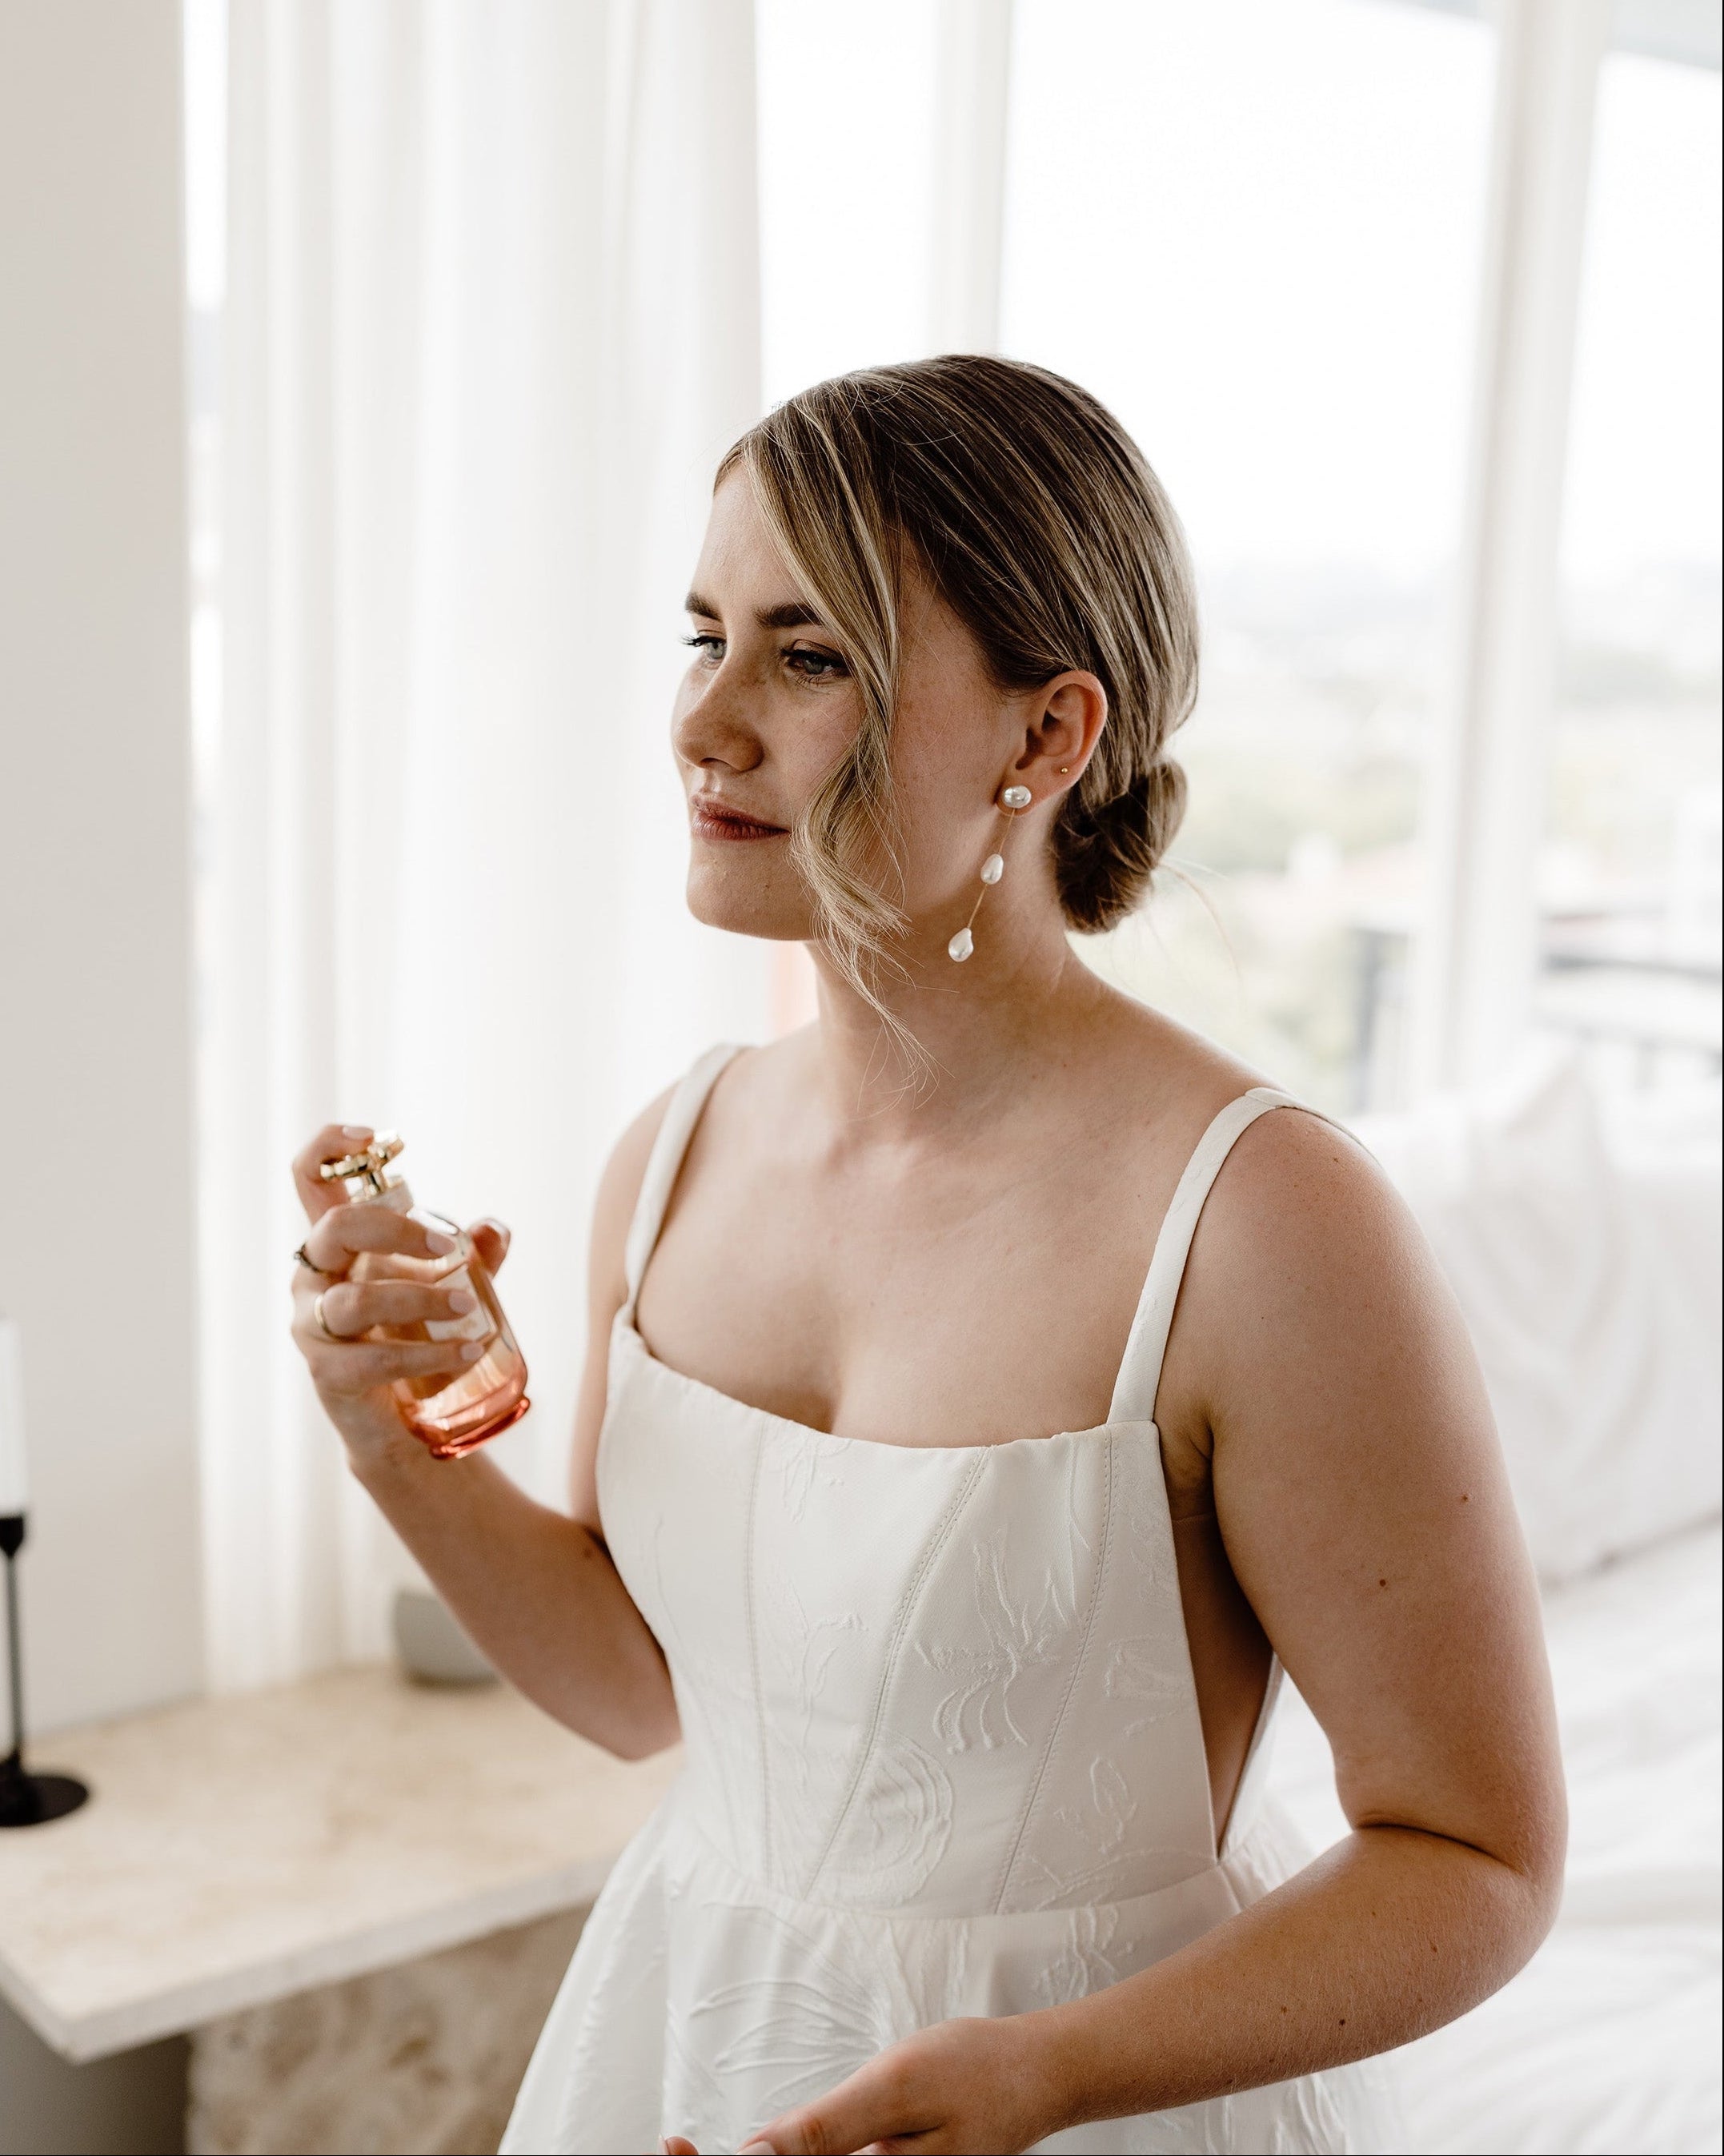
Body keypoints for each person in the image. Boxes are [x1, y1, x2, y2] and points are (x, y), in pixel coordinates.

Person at [290, 357, 1566, 2155]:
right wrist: (390, 1434)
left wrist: (1044, 2075)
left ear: (1047, 740)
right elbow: (636, 1694)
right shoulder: (672, 1156)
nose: (705, 723)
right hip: (687, 2036)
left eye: (810, 657)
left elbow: (1480, 1856)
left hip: (1097, 2100)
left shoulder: (1263, 1225)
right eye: (703, 633)